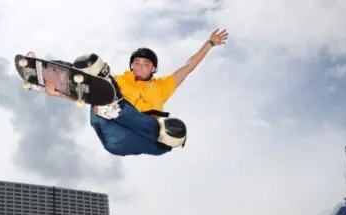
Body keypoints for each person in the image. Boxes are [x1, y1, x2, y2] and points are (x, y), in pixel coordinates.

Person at [40, 29, 229, 157]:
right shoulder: (118, 82)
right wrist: (57, 93)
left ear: (153, 68)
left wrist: (210, 43)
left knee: (168, 136)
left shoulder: (163, 86)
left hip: (131, 139)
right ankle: (46, 74)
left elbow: (188, 67)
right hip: (108, 126)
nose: (140, 66)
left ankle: (114, 109)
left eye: (145, 64)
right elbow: (88, 93)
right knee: (96, 69)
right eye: (136, 63)